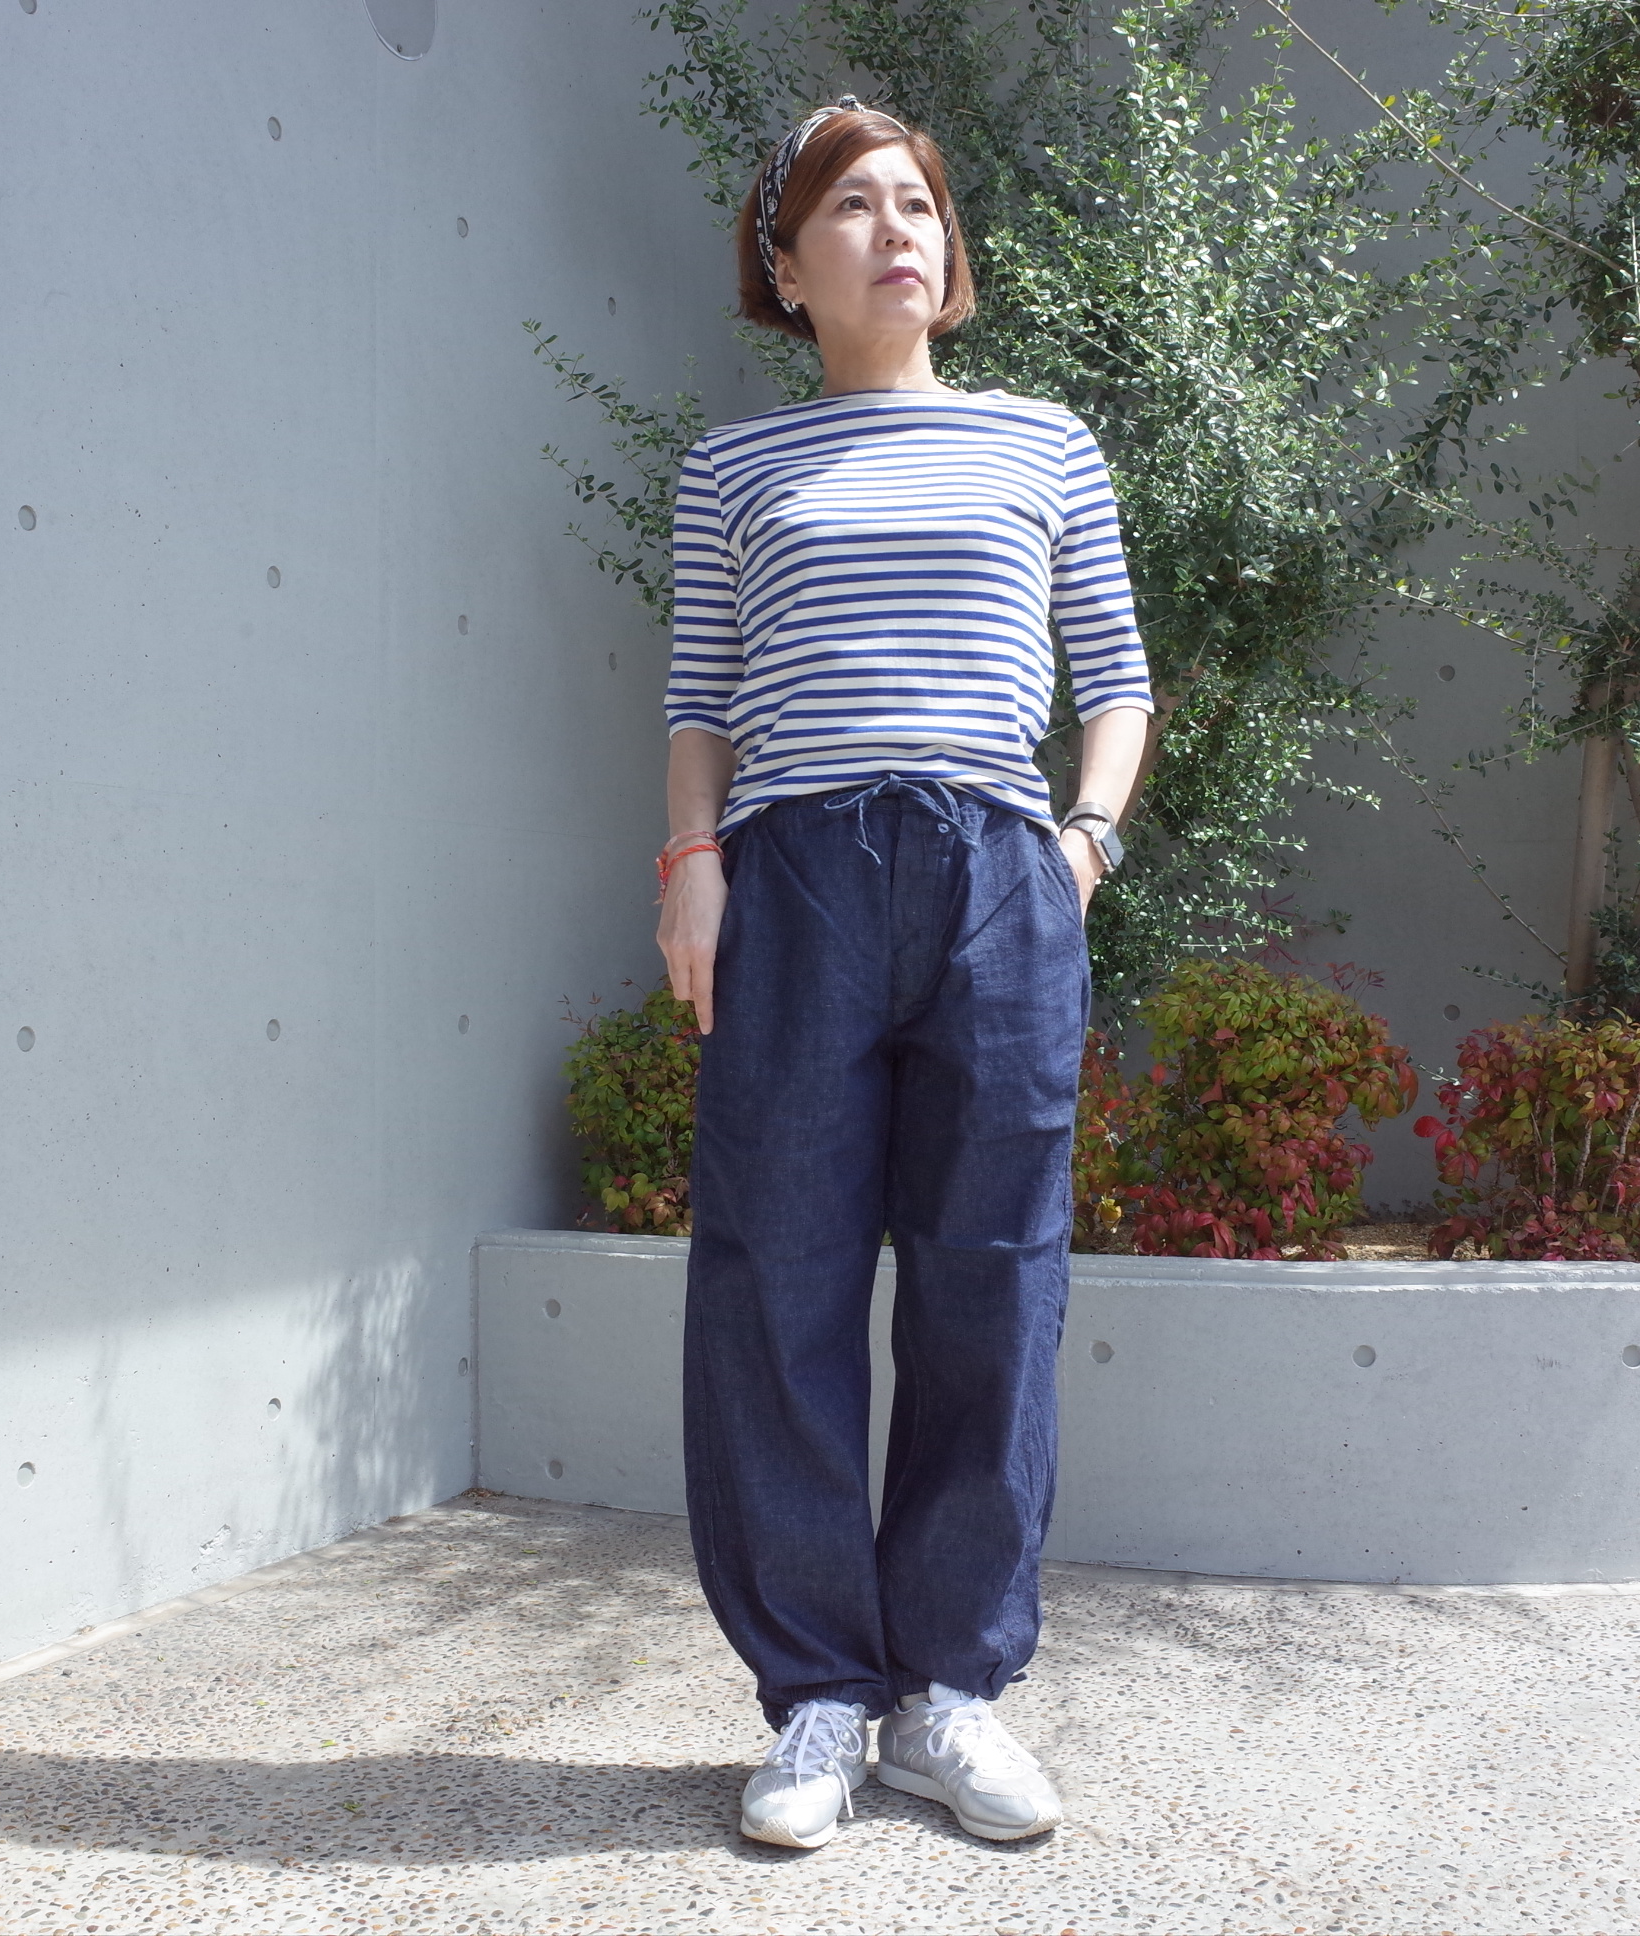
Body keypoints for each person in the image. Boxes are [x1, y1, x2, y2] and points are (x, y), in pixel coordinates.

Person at [656, 96, 1153, 1850]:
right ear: (788, 270)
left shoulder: (1044, 445)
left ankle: (950, 1693)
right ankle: (815, 1698)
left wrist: (1079, 849)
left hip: (997, 875)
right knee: (773, 1278)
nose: (897, 231)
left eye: (919, 206)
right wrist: (690, 871)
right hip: (794, 877)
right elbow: (702, 701)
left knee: (990, 1281)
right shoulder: (735, 468)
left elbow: (1116, 677)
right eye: (854, 208)